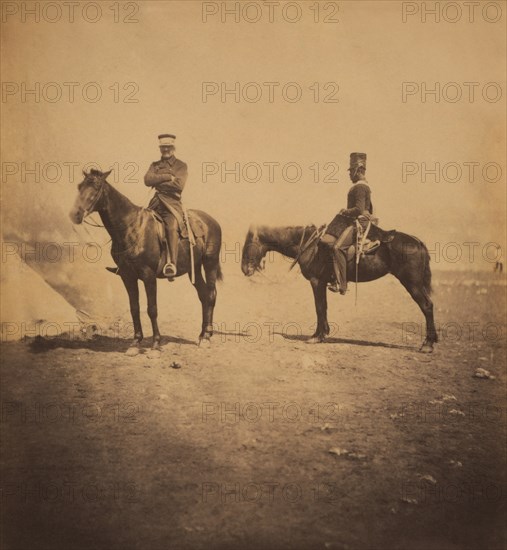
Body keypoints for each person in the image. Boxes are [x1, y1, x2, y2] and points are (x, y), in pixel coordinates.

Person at [321, 152, 373, 294]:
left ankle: (342, 284)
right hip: (358, 222)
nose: (349, 174)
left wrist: (345, 211)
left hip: (358, 224)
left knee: (338, 248)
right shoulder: (363, 186)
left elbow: (359, 209)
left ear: (359, 170)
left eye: (351, 171)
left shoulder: (360, 187)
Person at [144, 134, 188, 279]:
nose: (166, 150)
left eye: (168, 147)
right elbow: (147, 180)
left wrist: (157, 181)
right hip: (156, 202)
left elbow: (179, 185)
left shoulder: (181, 165)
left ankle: (172, 264)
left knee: (171, 227)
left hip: (172, 204)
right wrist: (168, 177)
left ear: (173, 148)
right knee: (140, 223)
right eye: (163, 147)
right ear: (160, 148)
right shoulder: (154, 165)